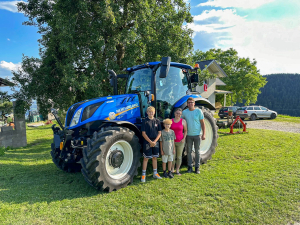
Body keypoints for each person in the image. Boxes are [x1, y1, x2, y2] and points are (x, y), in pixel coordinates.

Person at [181, 97, 206, 174]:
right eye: (189, 103)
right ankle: (189, 167)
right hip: (188, 135)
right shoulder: (184, 112)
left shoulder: (198, 111)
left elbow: (202, 123)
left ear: (194, 103)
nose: (190, 104)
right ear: (187, 104)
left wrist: (204, 134)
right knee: (188, 151)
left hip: (197, 135)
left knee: (197, 151)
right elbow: (181, 122)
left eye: (191, 102)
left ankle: (197, 167)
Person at [141, 106, 162, 182]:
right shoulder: (145, 121)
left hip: (155, 141)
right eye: (149, 112)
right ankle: (143, 175)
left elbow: (159, 133)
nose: (151, 113)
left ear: (154, 112)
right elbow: (143, 133)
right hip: (147, 141)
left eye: (152, 112)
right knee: (146, 158)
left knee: (154, 157)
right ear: (147, 113)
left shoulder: (157, 121)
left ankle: (155, 173)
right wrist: (150, 142)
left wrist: (155, 141)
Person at [170, 108, 187, 175]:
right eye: (177, 113)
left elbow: (185, 131)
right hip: (172, 142)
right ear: (174, 113)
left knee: (179, 157)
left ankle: (177, 170)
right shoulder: (171, 121)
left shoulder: (183, 121)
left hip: (180, 142)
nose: (178, 115)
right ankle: (172, 169)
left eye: (179, 114)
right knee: (173, 156)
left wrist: (183, 139)